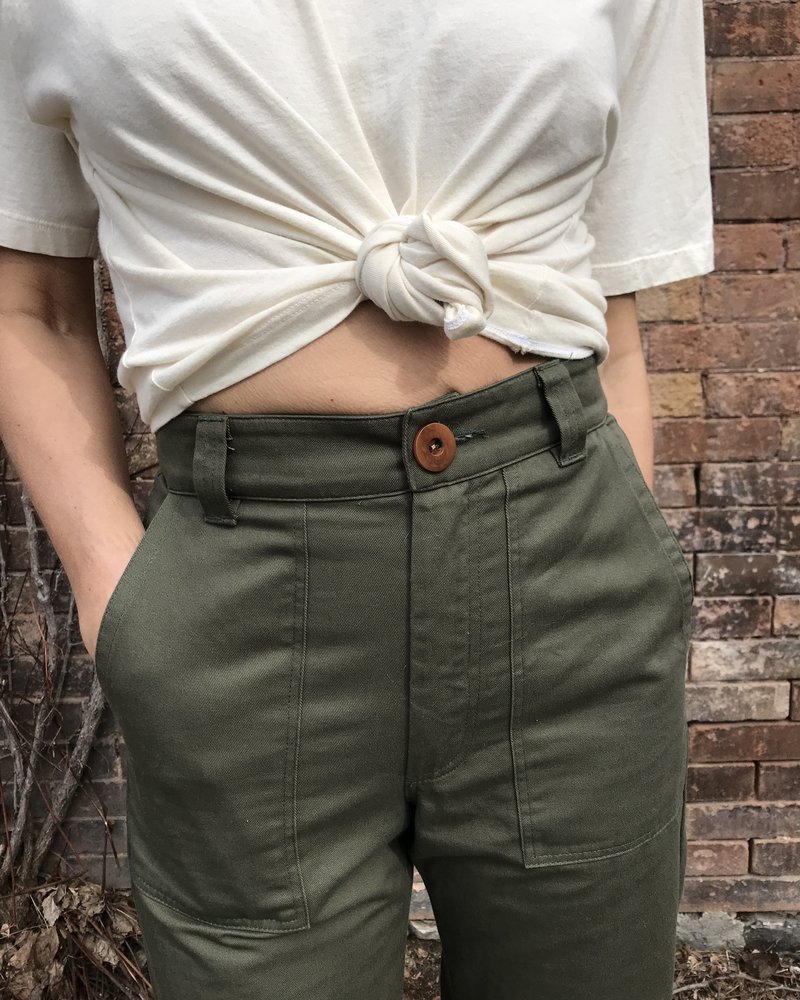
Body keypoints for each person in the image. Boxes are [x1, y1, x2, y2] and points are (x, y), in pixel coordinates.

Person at [0, 1, 714, 997]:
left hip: (566, 569)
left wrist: (620, 534)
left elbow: (611, 296)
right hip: (242, 601)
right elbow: (30, 304)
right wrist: (115, 592)